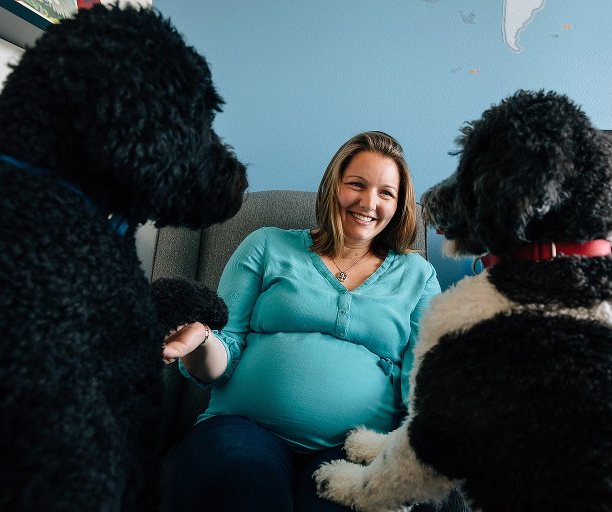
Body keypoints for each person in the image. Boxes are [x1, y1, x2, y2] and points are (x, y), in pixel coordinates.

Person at [162, 131, 441, 511]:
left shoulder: (418, 275)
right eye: (356, 184)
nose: (368, 202)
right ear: (333, 186)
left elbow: (422, 378)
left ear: (399, 204)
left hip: (357, 448)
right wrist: (200, 341)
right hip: (243, 428)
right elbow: (223, 349)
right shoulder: (267, 245)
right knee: (237, 476)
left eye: (386, 193)